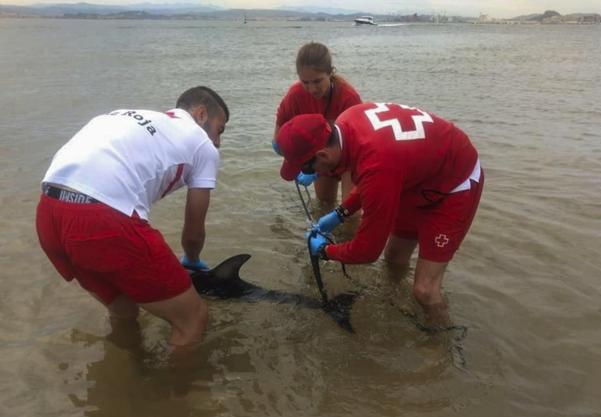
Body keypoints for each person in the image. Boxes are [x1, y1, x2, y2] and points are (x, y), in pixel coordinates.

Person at [35, 86, 229, 352]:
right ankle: (180, 392)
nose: (218, 142)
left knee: (124, 311)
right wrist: (192, 259)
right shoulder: (203, 145)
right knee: (193, 318)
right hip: (99, 218)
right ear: (201, 114)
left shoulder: (127, 115)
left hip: (49, 213)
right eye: (220, 129)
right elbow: (194, 231)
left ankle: (129, 383)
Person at [274, 102, 483, 326]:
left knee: (424, 290)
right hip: (411, 177)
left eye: (307, 169)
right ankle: (397, 309)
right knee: (393, 258)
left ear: (323, 155)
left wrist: (325, 251)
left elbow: (367, 251)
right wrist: (341, 213)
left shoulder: (378, 165)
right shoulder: (347, 120)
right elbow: (372, 181)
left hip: (454, 183)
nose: (311, 174)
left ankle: (441, 347)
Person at [274, 41, 362, 204]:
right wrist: (291, 156)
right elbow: (279, 132)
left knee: (350, 211)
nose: (312, 89)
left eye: (317, 81)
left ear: (330, 73)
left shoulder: (348, 98)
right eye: (305, 82)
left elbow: (359, 145)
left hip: (351, 158)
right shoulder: (295, 95)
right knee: (324, 203)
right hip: (318, 159)